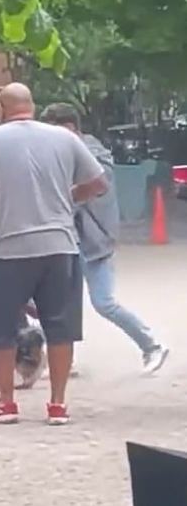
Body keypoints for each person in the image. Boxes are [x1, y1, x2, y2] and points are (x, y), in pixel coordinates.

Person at [0, 82, 107, 426]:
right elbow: (99, 184)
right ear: (32, 106)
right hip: (60, 247)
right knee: (60, 328)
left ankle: (7, 402)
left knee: (1, 328)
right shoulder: (65, 138)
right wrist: (68, 197)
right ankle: (57, 405)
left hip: (9, 249)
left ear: (1, 109)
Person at [41, 102, 168, 373]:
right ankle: (66, 359)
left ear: (70, 127)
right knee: (61, 303)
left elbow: (91, 190)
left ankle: (151, 345)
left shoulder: (92, 154)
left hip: (92, 241)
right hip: (66, 239)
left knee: (104, 303)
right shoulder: (58, 152)